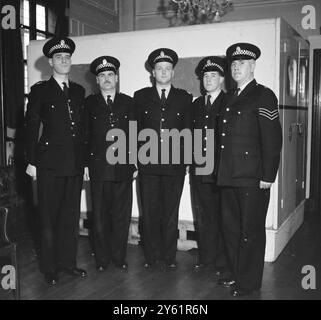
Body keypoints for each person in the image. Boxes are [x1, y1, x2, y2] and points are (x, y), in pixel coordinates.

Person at [216, 43, 282, 297]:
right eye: (233, 63)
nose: (236, 67)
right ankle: (235, 274)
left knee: (250, 231)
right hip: (229, 175)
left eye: (241, 63)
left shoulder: (263, 95)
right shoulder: (230, 96)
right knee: (231, 229)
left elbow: (272, 139)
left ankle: (249, 282)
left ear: (253, 66)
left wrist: (268, 175)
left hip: (252, 177)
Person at [25, 37, 87, 285]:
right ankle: (50, 267)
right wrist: (31, 161)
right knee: (49, 216)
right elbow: (31, 127)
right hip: (48, 163)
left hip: (73, 164)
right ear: (51, 62)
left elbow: (82, 130)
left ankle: (67, 263)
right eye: (59, 57)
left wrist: (83, 164)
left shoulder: (79, 91)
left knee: (70, 216)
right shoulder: (40, 90)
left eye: (67, 57)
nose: (64, 60)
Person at [134, 48, 193, 269]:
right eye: (159, 68)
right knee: (149, 212)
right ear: (153, 73)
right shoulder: (140, 97)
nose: (163, 72)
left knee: (170, 211)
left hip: (174, 165)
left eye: (167, 68)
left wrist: (187, 160)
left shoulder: (184, 97)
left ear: (173, 72)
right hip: (147, 164)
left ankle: (169, 257)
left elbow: (188, 129)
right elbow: (134, 129)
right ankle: (151, 256)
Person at [84, 56, 136, 272]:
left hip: (123, 168)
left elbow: (135, 133)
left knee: (121, 216)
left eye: (110, 75)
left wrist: (134, 164)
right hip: (98, 168)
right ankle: (102, 259)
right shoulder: (89, 104)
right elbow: (85, 136)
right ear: (97, 80)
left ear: (116, 77)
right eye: (102, 75)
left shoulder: (128, 102)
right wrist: (85, 165)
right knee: (100, 215)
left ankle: (119, 256)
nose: (106, 79)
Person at [190, 56, 227, 273]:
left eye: (213, 75)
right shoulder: (196, 104)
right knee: (202, 214)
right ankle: (206, 258)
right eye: (205, 75)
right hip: (199, 167)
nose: (209, 79)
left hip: (220, 169)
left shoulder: (229, 101)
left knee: (222, 215)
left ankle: (221, 261)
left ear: (221, 79)